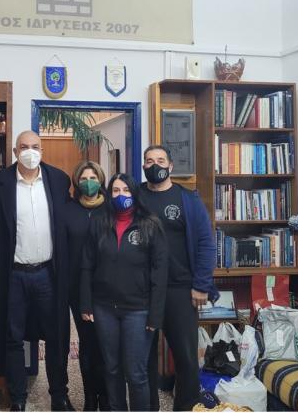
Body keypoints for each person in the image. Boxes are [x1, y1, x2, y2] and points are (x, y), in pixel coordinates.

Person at [0, 130, 74, 412]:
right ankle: (17, 397)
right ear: (16, 152)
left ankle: (59, 395)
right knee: (12, 336)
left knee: (56, 337)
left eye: (35, 146)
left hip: (47, 274)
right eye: (24, 147)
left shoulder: (58, 180)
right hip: (12, 274)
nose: (30, 151)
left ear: (42, 150)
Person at [80, 173, 168, 412]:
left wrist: (156, 315)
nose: (121, 195)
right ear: (109, 194)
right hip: (104, 308)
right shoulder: (99, 222)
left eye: (126, 190)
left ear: (134, 193)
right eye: (116, 191)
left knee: (136, 373)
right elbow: (87, 265)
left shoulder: (150, 224)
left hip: (138, 310)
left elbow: (160, 273)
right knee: (111, 369)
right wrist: (86, 303)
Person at [141, 145, 218, 411]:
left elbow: (206, 243)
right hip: (143, 290)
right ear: (143, 166)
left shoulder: (188, 199)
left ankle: (186, 407)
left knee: (186, 358)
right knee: (143, 358)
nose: (155, 165)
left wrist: (201, 285)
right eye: (149, 161)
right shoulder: (136, 196)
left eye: (161, 160)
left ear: (171, 166)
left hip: (181, 289)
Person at [64, 161, 108, 411]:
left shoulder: (111, 209)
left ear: (100, 180)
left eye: (93, 177)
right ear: (76, 181)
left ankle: (107, 397)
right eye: (83, 178)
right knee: (88, 344)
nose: (88, 182)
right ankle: (90, 397)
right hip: (76, 287)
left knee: (106, 344)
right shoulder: (68, 209)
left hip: (107, 287)